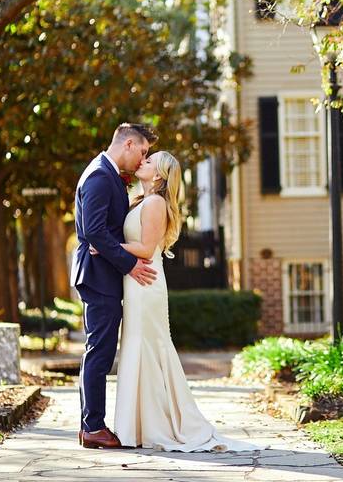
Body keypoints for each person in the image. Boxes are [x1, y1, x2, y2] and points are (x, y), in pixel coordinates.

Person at [102, 150, 258, 452]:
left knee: (148, 346)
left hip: (146, 285)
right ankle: (139, 425)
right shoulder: (140, 199)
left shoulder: (157, 202)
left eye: (150, 161)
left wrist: (107, 246)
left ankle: (156, 424)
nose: (142, 162)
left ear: (159, 175)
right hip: (135, 284)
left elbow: (147, 248)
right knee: (137, 346)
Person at [71, 123, 159, 449]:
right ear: (130, 144)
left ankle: (89, 425)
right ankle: (93, 426)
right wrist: (131, 264)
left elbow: (103, 231)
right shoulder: (98, 175)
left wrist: (116, 245)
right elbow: (93, 231)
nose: (142, 160)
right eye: (144, 152)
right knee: (100, 352)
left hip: (102, 274)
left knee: (100, 351)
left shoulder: (107, 174)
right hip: (98, 277)